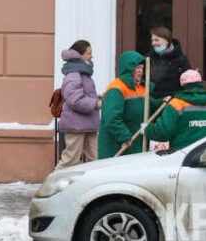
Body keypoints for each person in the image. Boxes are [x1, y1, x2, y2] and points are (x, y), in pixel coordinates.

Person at [98, 51, 162, 159]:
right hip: (117, 144)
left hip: (135, 141)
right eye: (137, 67)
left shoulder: (140, 88)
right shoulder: (116, 89)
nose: (141, 71)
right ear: (128, 68)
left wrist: (163, 102)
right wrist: (124, 136)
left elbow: (150, 105)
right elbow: (111, 118)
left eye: (142, 68)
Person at [142, 70, 206, 150]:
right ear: (200, 83)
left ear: (182, 84)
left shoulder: (176, 104)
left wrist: (147, 129)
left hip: (182, 156)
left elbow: (163, 132)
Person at [55, 40, 100, 169]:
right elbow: (74, 100)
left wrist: (97, 98)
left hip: (87, 124)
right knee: (70, 160)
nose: (91, 56)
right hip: (76, 126)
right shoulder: (74, 74)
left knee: (94, 162)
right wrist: (95, 103)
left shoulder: (82, 73)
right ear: (80, 55)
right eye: (89, 53)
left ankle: (92, 182)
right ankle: (54, 180)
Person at [149, 26, 191, 99]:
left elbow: (188, 83)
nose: (153, 43)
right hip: (153, 101)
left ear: (166, 40)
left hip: (174, 101)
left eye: (156, 40)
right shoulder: (149, 58)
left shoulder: (181, 59)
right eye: (152, 40)